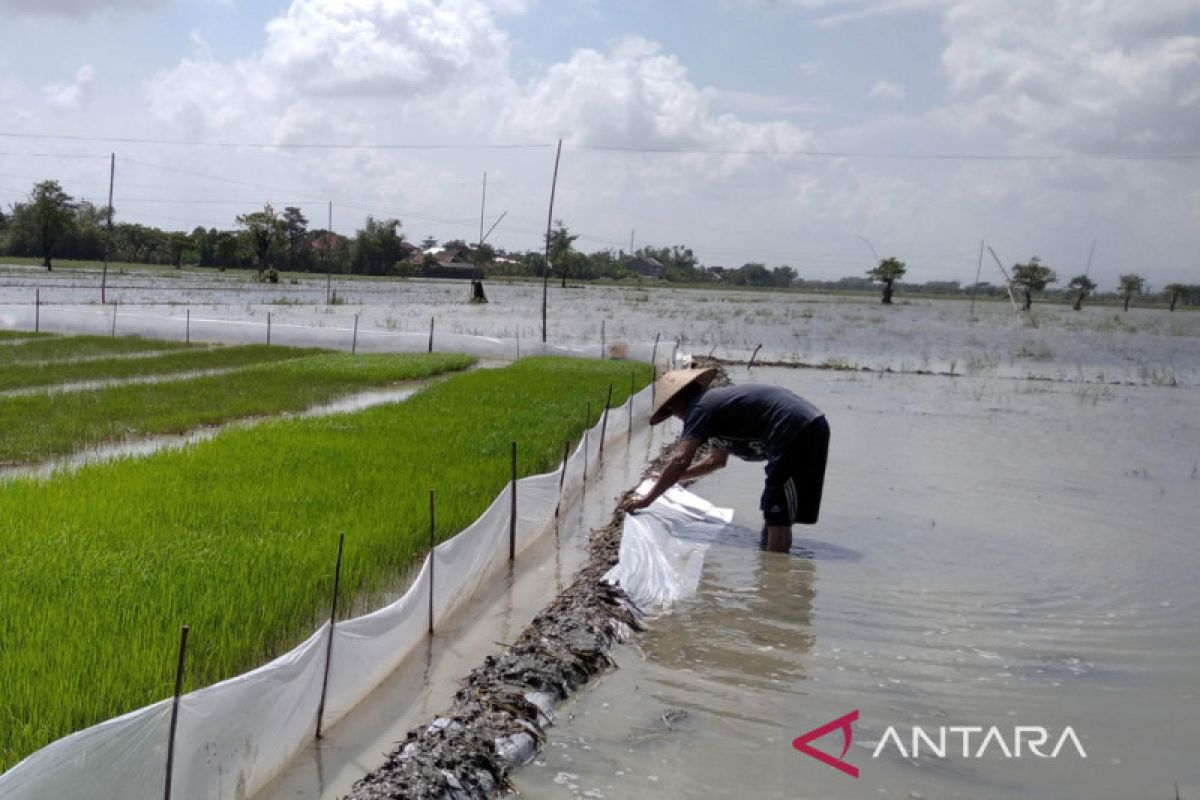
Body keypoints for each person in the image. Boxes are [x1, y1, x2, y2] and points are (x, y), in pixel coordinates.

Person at [619, 368, 829, 553]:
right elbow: (715, 461)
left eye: (672, 410)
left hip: (796, 428)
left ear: (680, 401)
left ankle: (775, 570)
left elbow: (680, 459)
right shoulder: (715, 408)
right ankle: (771, 563)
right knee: (775, 506)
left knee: (777, 507)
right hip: (808, 426)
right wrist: (672, 478)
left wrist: (646, 501)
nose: (676, 417)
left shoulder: (700, 409)